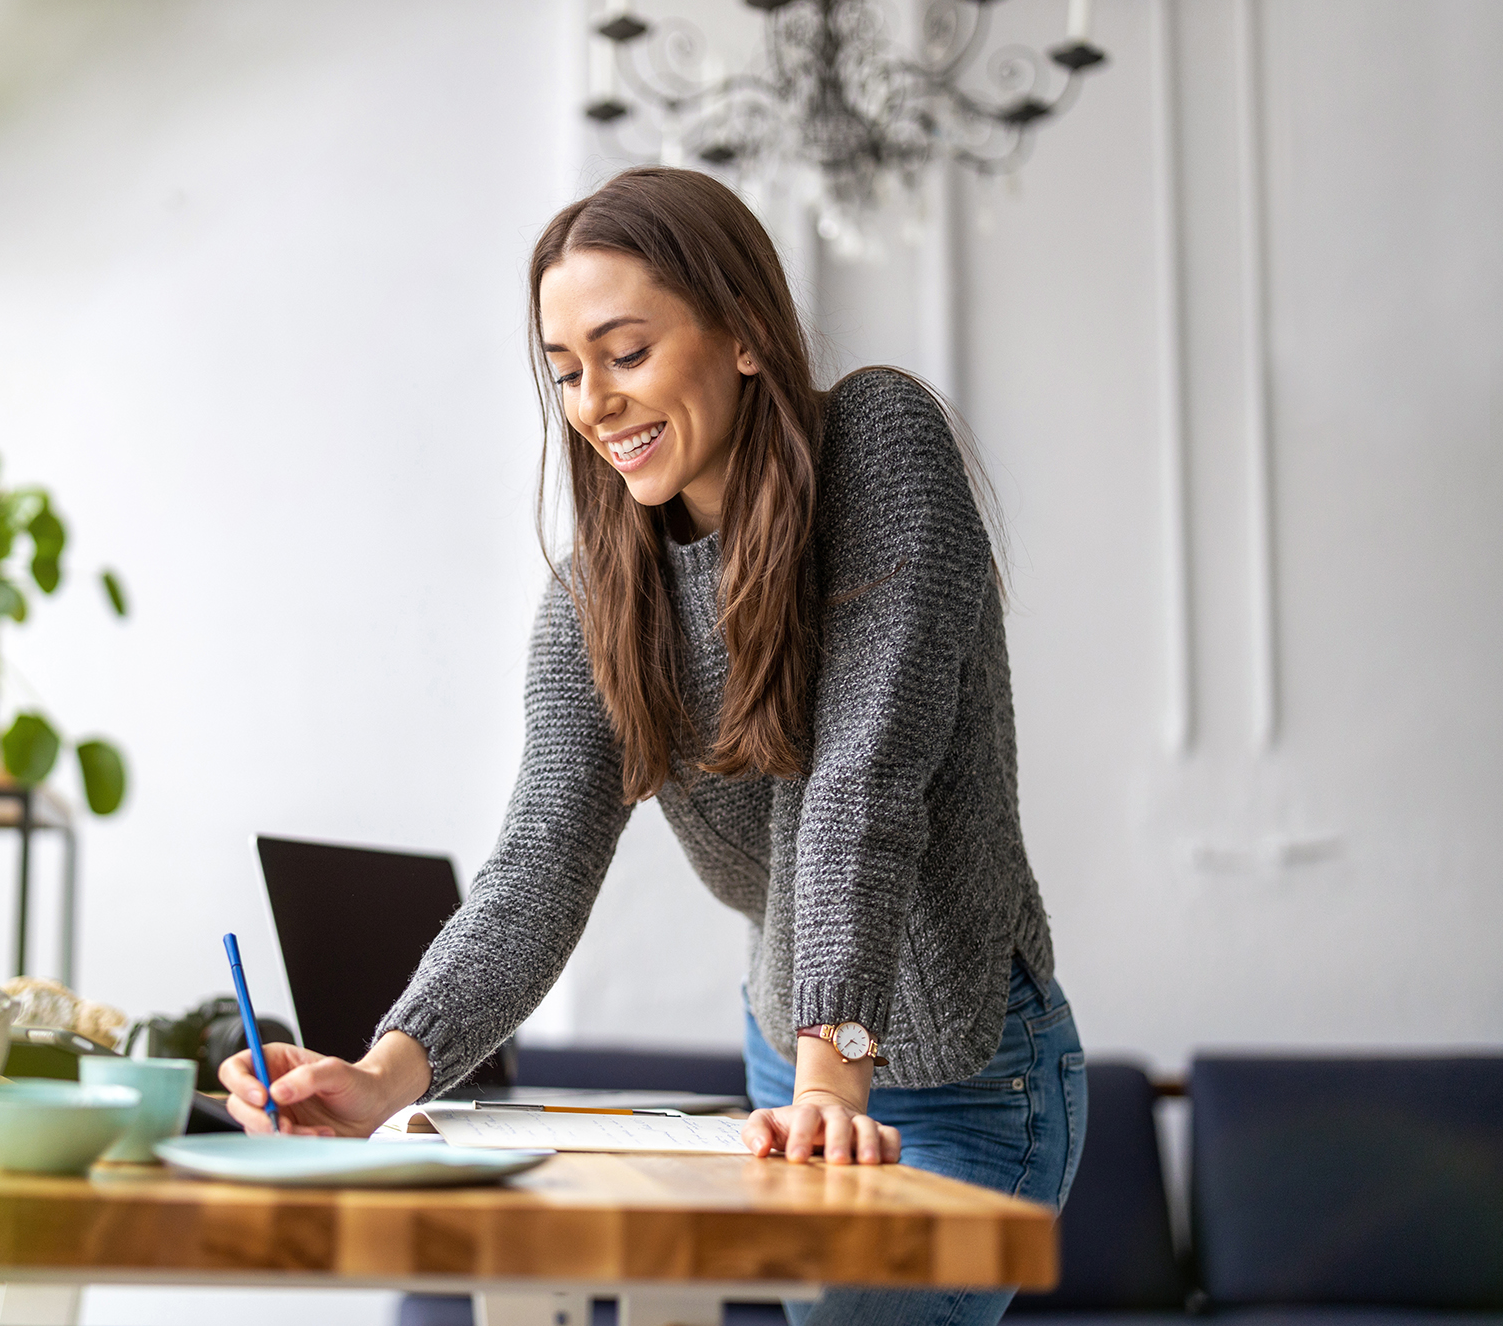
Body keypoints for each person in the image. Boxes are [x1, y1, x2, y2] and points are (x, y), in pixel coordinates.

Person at [221, 167, 1086, 1326]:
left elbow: (861, 780)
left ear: (738, 333)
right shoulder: (598, 594)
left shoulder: (878, 446)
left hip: (966, 1072)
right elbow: (538, 865)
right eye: (565, 371)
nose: (593, 403)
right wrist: (387, 1072)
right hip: (790, 1070)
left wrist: (833, 1067)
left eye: (624, 353)